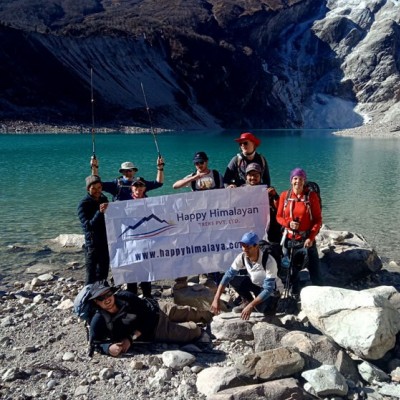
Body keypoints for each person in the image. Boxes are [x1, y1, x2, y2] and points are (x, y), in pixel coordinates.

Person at [88, 281, 213, 357]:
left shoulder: (126, 297)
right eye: (101, 298)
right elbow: (95, 343)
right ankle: (202, 330)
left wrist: (130, 339)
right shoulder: (98, 320)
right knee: (193, 331)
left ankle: (213, 318)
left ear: (112, 293)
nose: (107, 300)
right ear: (96, 302)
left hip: (158, 308)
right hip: (156, 330)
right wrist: (108, 348)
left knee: (192, 312)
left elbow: (148, 315)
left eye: (108, 294)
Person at [211, 232, 283, 321]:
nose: (245, 249)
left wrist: (251, 306)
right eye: (243, 246)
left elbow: (268, 289)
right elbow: (228, 275)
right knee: (234, 280)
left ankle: (274, 304)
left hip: (272, 291)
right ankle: (247, 301)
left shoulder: (269, 261)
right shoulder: (242, 257)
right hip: (256, 284)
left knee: (262, 311)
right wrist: (216, 298)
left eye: (248, 247)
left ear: (256, 246)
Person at [276, 168, 322, 287]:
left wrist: (311, 237)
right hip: (289, 238)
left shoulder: (311, 196)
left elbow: (318, 219)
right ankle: (294, 289)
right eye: (295, 178)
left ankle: (319, 289)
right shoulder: (284, 196)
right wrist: (288, 223)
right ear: (291, 180)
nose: (298, 181)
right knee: (290, 268)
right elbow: (279, 217)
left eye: (301, 178)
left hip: (306, 238)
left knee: (314, 268)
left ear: (304, 180)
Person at [77, 175, 109, 284]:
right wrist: (99, 212)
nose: (97, 191)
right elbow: (87, 226)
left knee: (104, 272)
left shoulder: (104, 199)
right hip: (92, 244)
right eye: (93, 188)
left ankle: (102, 296)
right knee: (91, 275)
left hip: (105, 242)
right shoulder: (83, 204)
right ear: (88, 189)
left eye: (99, 188)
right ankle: (88, 298)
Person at [91, 157, 164, 201]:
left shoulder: (141, 183)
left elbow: (159, 183)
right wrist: (94, 167)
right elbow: (97, 184)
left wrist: (160, 168)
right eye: (124, 171)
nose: (127, 172)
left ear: (134, 171)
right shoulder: (116, 184)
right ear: (121, 172)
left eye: (129, 170)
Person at [126, 178, 152, 297]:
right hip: (130, 241)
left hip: (146, 240)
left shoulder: (150, 201)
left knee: (146, 269)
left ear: (144, 188)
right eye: (135, 187)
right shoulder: (124, 201)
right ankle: (132, 296)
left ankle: (147, 296)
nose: (138, 189)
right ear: (132, 188)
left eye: (141, 187)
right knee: (131, 268)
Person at [244, 163, 282, 244]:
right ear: (246, 176)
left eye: (256, 175)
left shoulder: (267, 190)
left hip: (267, 229)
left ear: (260, 176)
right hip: (249, 228)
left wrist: (275, 196)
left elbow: (280, 208)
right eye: (250, 175)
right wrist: (231, 191)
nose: (253, 177)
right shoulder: (240, 191)